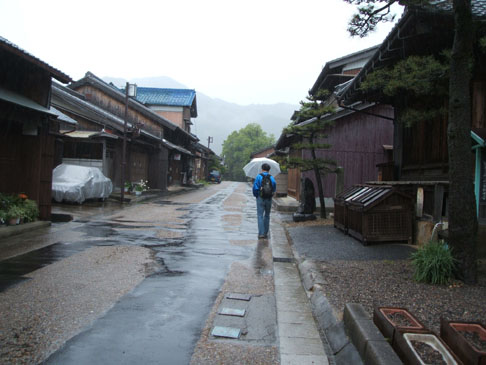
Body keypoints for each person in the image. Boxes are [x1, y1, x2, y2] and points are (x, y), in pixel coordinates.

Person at [252, 163, 277, 239]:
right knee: (267, 215)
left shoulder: (258, 177)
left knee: (260, 215)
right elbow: (274, 187)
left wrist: (257, 195)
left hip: (260, 197)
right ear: (269, 170)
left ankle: (261, 233)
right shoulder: (271, 178)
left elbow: (255, 188)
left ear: (262, 169)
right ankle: (266, 232)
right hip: (269, 198)